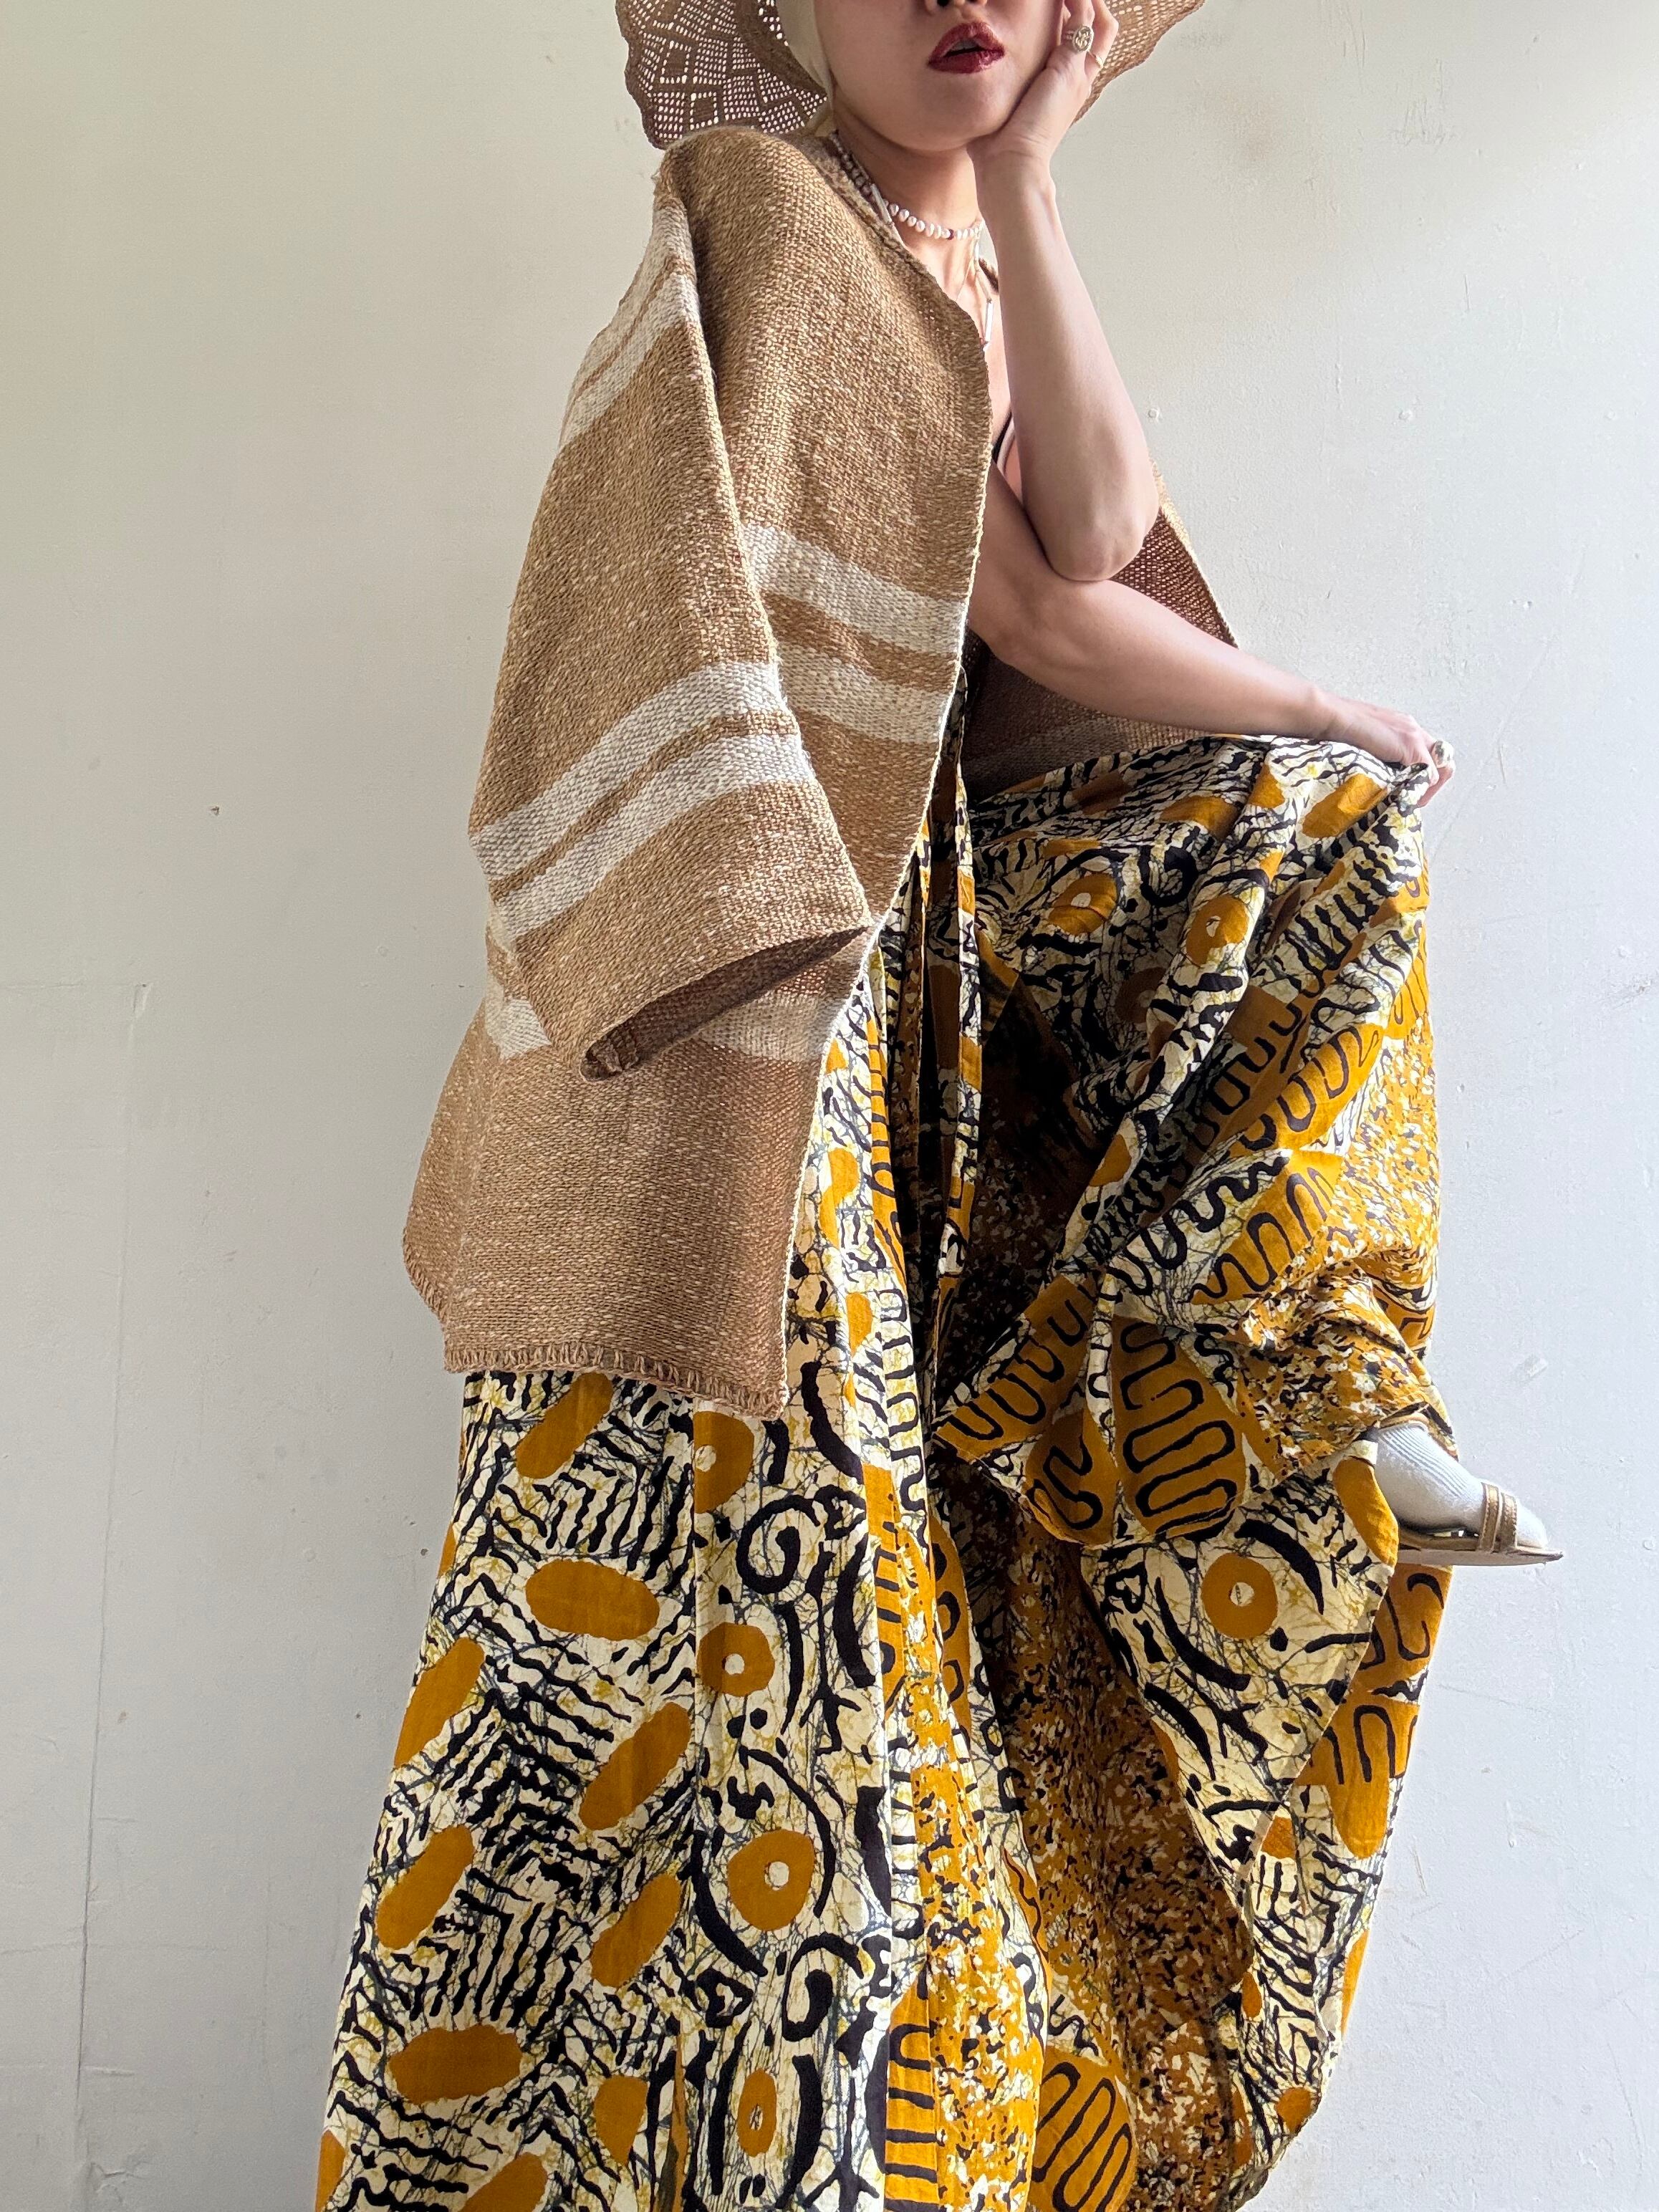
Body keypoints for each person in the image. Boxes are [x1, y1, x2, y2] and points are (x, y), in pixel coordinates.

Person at [314, 3, 1556, 2206]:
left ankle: (1290, 1360)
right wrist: (1305, 692)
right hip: (767, 1020)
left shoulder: (956, 254)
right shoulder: (775, 216)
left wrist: (1033, 189)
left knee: (1306, 830)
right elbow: (1029, 622)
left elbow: (1091, 541)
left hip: (924, 983)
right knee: (746, 1651)